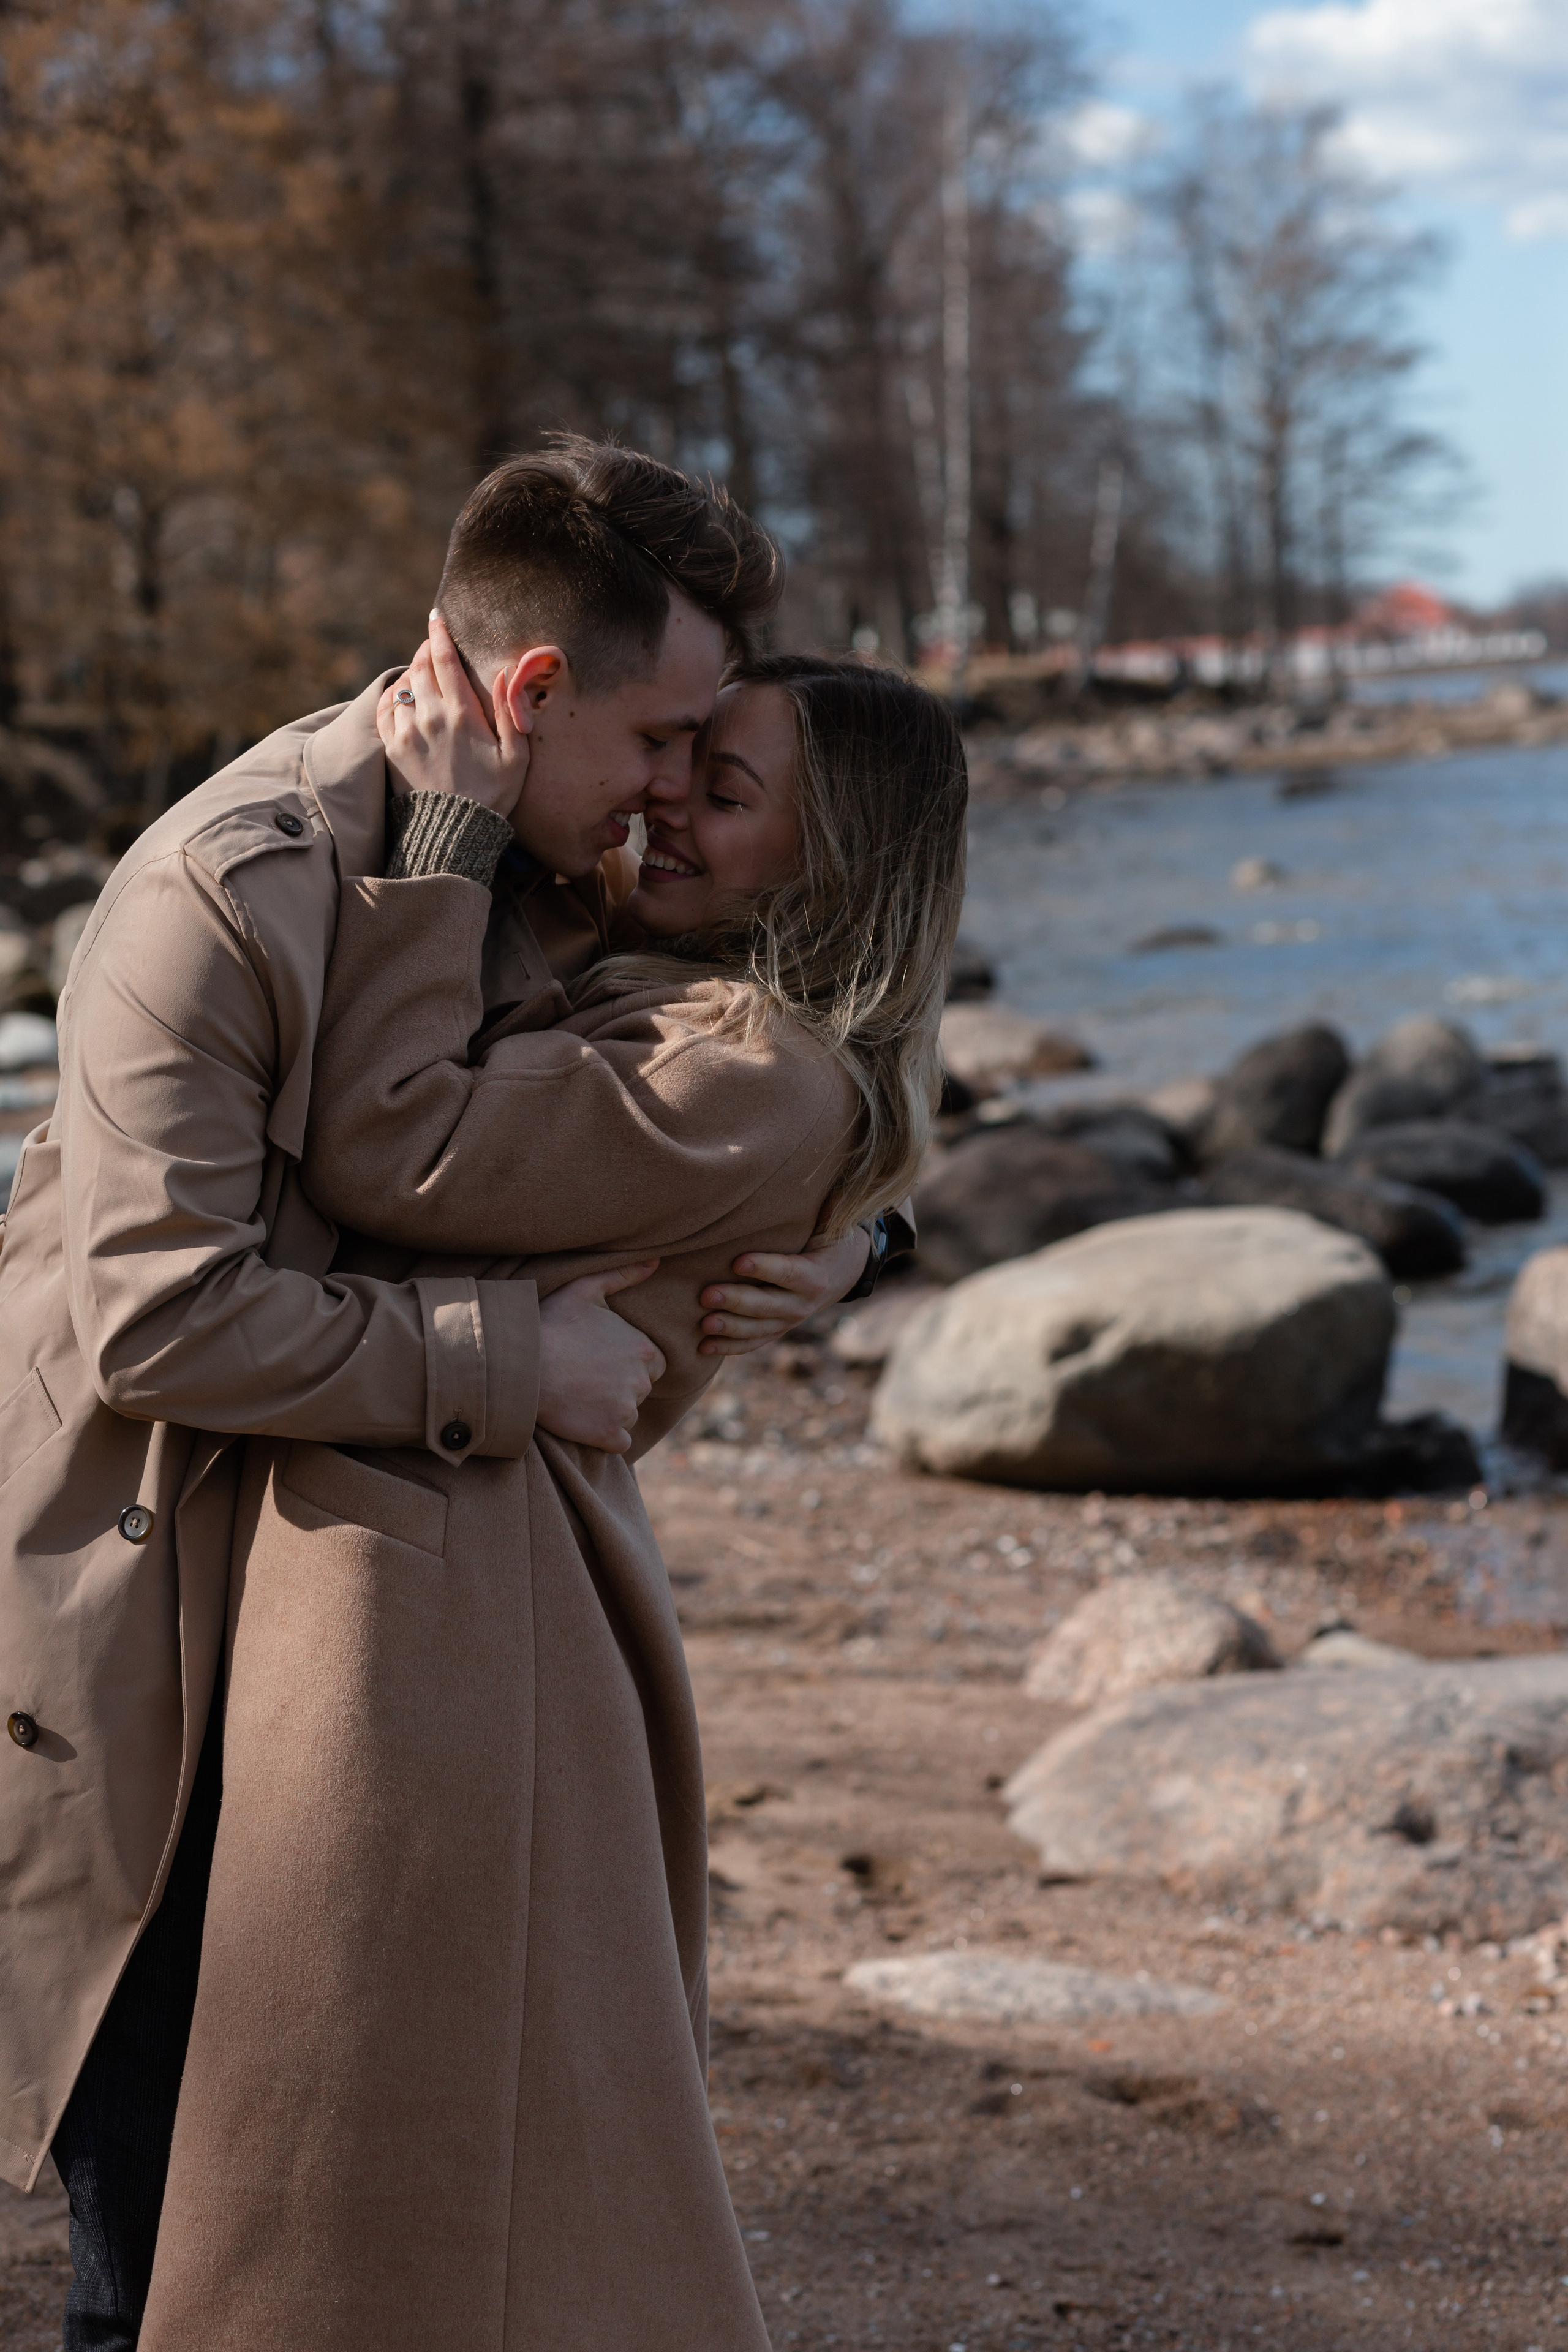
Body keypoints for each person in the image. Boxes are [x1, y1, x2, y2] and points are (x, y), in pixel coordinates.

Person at [0, 439, 876, 2350]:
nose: (672, 791)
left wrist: (853, 1237)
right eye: (665, 738)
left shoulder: (539, 879)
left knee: (381, 2237)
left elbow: (729, 1067)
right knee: (158, 2266)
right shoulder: (210, 902)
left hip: (388, 1656)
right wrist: (510, 1355)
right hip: (144, 1637)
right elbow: (162, 1322)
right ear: (538, 693)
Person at [135, 654, 968, 2350]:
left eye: (721, 789)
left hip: (442, 1617)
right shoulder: (660, 985)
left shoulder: (753, 1067)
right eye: (671, 753)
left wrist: (443, 834)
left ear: (833, 866)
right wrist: (877, 1243)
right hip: (403, 1555)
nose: (663, 794)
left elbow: (392, 1144)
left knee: (356, 2176)